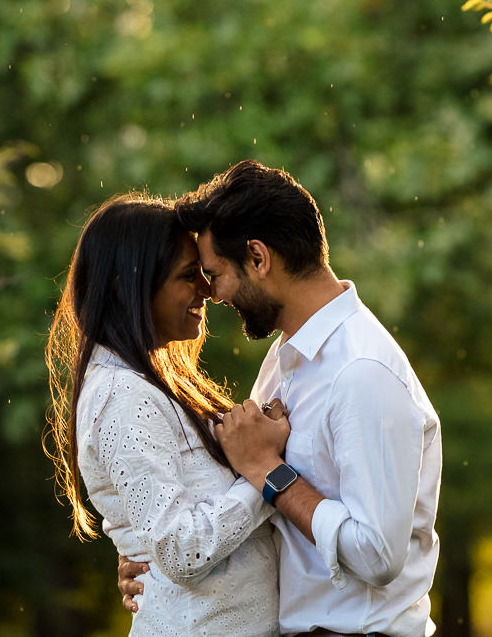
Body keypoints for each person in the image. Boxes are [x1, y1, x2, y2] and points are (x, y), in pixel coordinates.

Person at [123, 160, 443, 637]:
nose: (212, 294)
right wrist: (157, 565)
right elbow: (264, 517)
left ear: (258, 257)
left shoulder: (361, 372)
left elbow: (377, 555)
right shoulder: (284, 360)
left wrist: (272, 474)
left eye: (215, 273)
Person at [45, 192, 290, 636]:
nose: (207, 289)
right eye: (186, 276)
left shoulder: (146, 386)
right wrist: (266, 475)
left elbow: (162, 532)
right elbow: (181, 550)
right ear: (127, 287)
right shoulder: (122, 395)